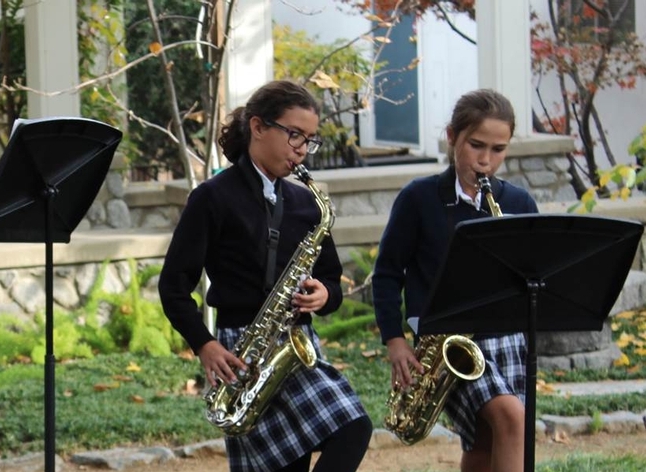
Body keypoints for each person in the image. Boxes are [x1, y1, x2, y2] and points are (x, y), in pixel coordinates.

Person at [158, 80, 372, 472]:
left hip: (296, 342)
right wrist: (204, 345)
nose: (302, 149)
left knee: (354, 428)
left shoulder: (308, 205)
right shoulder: (213, 197)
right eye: (294, 135)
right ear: (258, 127)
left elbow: (332, 280)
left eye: (310, 139)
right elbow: (173, 285)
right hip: (242, 350)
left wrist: (324, 294)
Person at [372, 89, 537, 472]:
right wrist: (394, 341)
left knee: (484, 443)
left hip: (508, 339)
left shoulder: (519, 203)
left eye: (499, 149)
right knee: (511, 417)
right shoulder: (419, 198)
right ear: (452, 136)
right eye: (476, 145)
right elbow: (386, 273)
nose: (486, 160)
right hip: (447, 343)